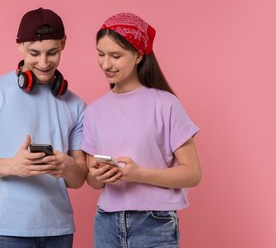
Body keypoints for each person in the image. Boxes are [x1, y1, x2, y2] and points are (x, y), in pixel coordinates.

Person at [0, 7, 88, 248]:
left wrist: (67, 166)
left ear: (64, 44)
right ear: (20, 46)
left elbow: (78, 180)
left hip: (60, 231)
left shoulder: (76, 105)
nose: (44, 62)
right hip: (7, 232)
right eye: (34, 53)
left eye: (52, 52)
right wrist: (12, 166)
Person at [81, 12, 202, 248]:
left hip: (155, 223)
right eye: (100, 54)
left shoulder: (165, 104)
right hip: (106, 222)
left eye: (116, 56)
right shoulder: (94, 111)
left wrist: (138, 174)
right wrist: (96, 176)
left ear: (138, 55)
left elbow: (192, 174)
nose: (106, 64)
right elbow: (93, 182)